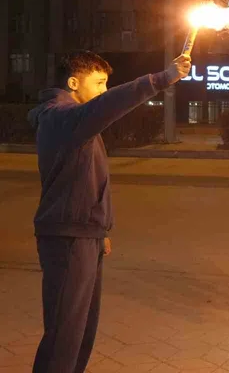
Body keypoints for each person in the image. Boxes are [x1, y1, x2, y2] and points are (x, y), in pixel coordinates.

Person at [27, 50, 191, 373]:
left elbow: (88, 180)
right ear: (74, 83)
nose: (104, 90)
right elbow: (107, 105)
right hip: (67, 238)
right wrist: (161, 79)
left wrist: (100, 230)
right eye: (99, 83)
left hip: (85, 234)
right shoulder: (59, 117)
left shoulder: (77, 123)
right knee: (63, 339)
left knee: (82, 333)